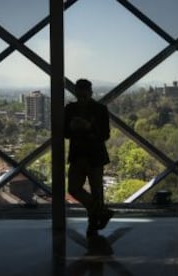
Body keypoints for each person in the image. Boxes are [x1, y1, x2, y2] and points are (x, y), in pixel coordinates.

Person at [65, 79, 114, 236]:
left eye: (84, 96)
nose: (82, 99)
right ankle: (100, 213)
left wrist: (87, 127)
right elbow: (66, 132)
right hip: (91, 155)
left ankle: (94, 221)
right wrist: (74, 128)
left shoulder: (96, 109)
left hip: (86, 155)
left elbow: (105, 135)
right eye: (80, 96)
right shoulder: (97, 109)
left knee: (84, 189)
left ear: (90, 93)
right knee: (88, 190)